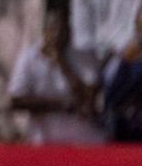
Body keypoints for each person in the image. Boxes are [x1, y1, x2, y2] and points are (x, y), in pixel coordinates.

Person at [8, 8, 104, 144]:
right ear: (45, 32)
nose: (57, 35)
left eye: (63, 31)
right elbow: (16, 99)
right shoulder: (29, 55)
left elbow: (86, 98)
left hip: (80, 136)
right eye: (53, 29)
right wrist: (60, 105)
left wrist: (61, 61)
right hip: (43, 136)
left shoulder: (82, 54)